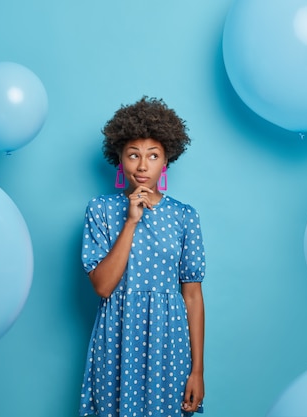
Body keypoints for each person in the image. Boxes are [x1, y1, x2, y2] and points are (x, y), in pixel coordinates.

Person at [79, 96, 206, 417]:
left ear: (166, 161)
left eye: (153, 156)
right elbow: (103, 286)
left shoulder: (184, 216)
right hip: (117, 338)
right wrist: (131, 220)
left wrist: (197, 371)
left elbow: (192, 297)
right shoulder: (101, 210)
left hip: (168, 342)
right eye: (133, 155)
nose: (142, 165)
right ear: (119, 158)